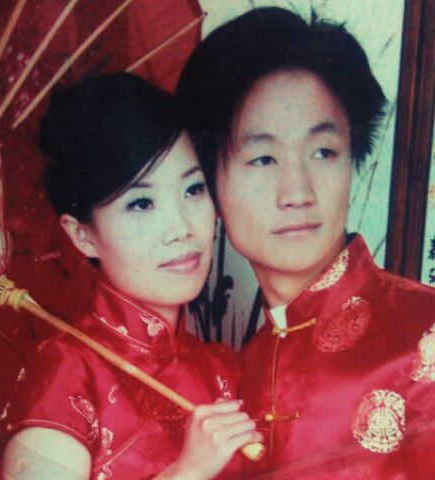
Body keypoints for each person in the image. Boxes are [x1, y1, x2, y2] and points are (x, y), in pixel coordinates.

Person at [177, 7, 435, 479]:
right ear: (211, 184)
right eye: (263, 159)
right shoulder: (232, 386)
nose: (297, 192)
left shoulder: (425, 331)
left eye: (323, 152)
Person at [2, 73, 262, 480]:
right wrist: (188, 472)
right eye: (141, 203)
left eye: (193, 189)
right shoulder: (66, 372)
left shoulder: (221, 368)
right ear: (82, 235)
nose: (181, 227)